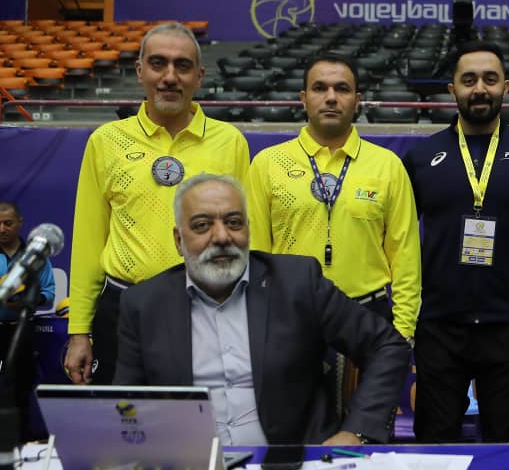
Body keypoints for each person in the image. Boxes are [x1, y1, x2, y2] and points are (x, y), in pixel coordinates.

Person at [114, 174, 410, 445]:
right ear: (179, 240)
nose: (222, 237)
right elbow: (127, 405)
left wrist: (356, 431)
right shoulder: (144, 305)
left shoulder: (297, 283)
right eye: (202, 225)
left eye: (234, 222)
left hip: (292, 465)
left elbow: (386, 345)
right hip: (191, 469)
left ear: (248, 229)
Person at [65, 22, 250, 386]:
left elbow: (244, 239)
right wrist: (79, 331)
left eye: (182, 66)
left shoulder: (230, 142)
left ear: (199, 76)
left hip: (206, 307)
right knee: (122, 416)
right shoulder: (106, 142)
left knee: (199, 417)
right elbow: (88, 241)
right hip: (122, 308)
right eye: (158, 63)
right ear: (140, 71)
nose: (169, 77)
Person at [403, 40, 509, 443]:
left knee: (507, 445)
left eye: (490, 79)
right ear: (452, 88)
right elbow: (398, 241)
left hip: (508, 326)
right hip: (439, 326)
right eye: (468, 79)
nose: (479, 89)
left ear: (505, 87)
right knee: (434, 442)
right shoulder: (421, 157)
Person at [247, 55, 420, 343]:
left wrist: (402, 333)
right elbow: (256, 254)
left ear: (357, 100)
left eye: (342, 89)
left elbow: (406, 256)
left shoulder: (387, 165)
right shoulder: (267, 164)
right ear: (303, 98)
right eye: (319, 88)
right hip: (290, 314)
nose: (330, 97)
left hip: (367, 315)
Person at [0, 201, 55, 442]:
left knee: (21, 386)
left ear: (20, 223)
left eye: (8, 223)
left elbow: (49, 293)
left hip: (21, 330)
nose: (2, 229)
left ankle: (20, 441)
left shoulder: (35, 257)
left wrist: (29, 299)